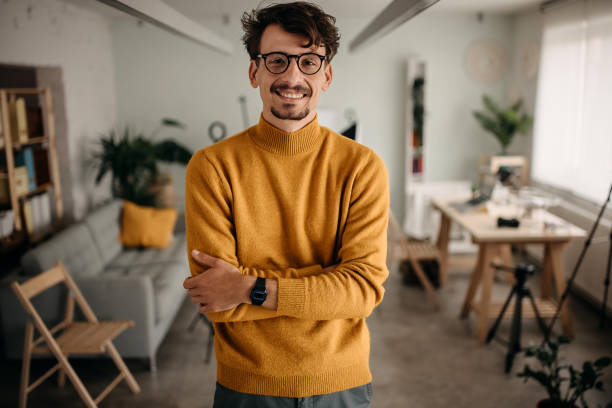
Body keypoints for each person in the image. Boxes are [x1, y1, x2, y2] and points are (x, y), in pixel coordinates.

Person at [183, 2, 389, 407]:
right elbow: (216, 301)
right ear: (254, 71)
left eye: (309, 61)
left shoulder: (361, 167)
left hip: (341, 385)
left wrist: (248, 287)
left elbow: (361, 291)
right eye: (277, 61)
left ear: (326, 74)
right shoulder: (212, 167)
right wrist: (325, 281)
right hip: (248, 387)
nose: (292, 76)